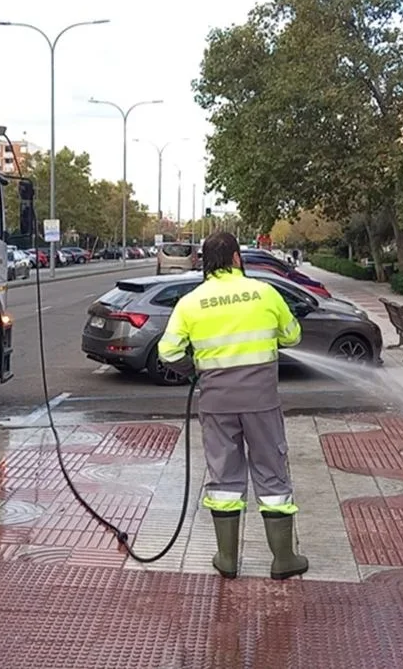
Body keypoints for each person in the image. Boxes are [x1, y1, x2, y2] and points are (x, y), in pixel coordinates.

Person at [156, 231, 307, 580]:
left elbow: (168, 352)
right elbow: (292, 336)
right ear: (237, 258)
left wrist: (192, 369)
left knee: (224, 477)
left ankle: (227, 559)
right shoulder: (265, 293)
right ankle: (283, 559)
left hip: (216, 402)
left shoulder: (191, 302)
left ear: (204, 262)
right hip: (262, 401)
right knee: (271, 472)